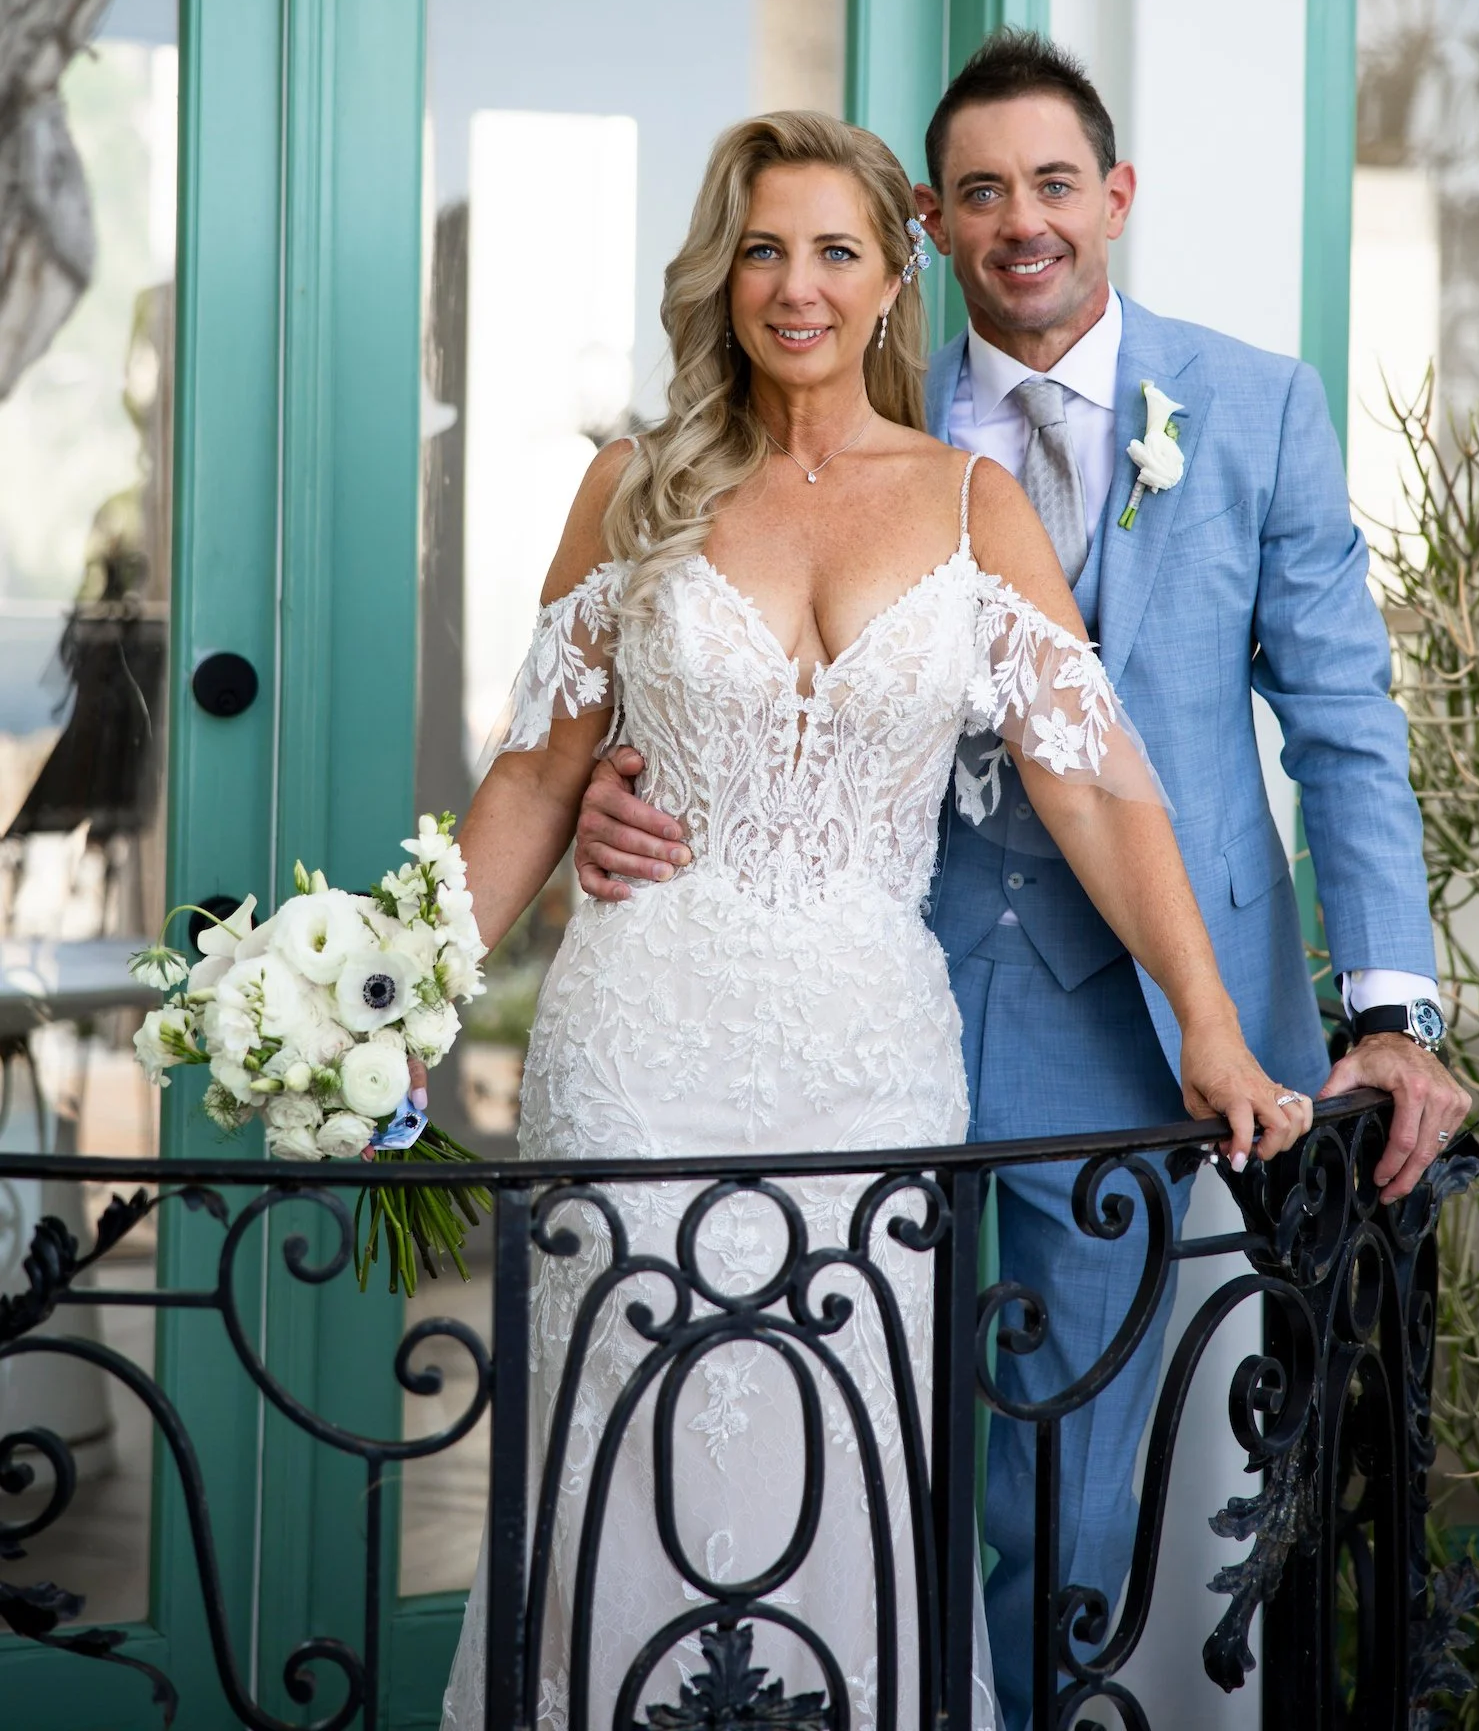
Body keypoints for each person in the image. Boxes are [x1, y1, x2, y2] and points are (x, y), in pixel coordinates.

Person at [575, 36, 1473, 1730]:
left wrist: (1394, 1013)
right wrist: (628, 785)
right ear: (929, 222)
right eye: (980, 193)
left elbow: (1347, 724)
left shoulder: (1254, 405)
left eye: (1055, 183)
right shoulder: (853, 399)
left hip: (1132, 1026)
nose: (1022, 222)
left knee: (1056, 1485)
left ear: (1115, 195)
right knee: (829, 1431)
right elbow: (721, 657)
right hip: (872, 1005)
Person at [436, 106, 1304, 1731]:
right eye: (763, 249)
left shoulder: (974, 505)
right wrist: (387, 1022)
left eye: (836, 250)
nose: (798, 286)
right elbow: (537, 778)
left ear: (894, 276)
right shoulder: (633, 487)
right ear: (721, 274)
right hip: (641, 1055)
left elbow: (1096, 788)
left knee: (849, 1467)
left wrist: (1209, 1024)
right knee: (627, 1456)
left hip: (867, 1069)